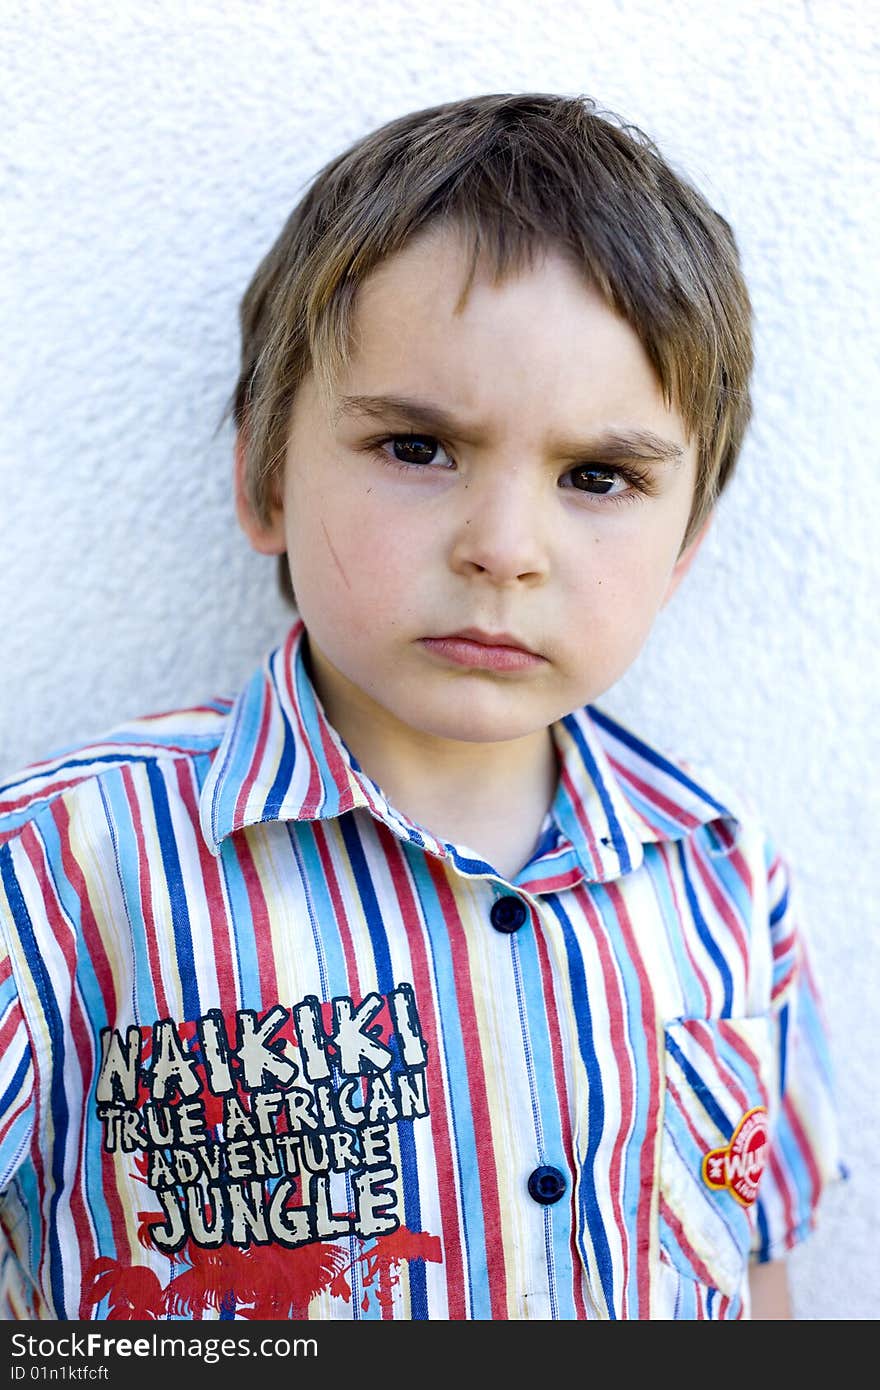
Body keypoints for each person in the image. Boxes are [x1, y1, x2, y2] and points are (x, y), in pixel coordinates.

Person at [0, 92, 843, 1322]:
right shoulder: (58, 872)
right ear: (261, 479)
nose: (504, 548)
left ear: (684, 548)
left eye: (597, 476)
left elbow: (757, 1273)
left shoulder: (726, 876)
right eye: (416, 447)